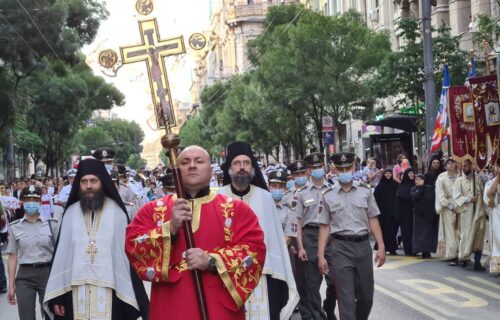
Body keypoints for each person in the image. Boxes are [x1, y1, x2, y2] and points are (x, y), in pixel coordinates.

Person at [126, 145, 266, 319]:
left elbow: (254, 250)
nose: (192, 165)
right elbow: (133, 246)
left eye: (199, 161)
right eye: (185, 162)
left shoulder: (237, 209)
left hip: (218, 308)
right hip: (170, 307)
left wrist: (212, 261)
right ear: (176, 170)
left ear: (211, 169)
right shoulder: (153, 210)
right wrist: (169, 229)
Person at [43, 159, 149, 320]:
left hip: (112, 293)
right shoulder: (70, 213)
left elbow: (126, 257)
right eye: (84, 182)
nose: (89, 186)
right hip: (74, 292)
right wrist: (58, 298)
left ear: (102, 182)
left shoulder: (118, 213)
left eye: (94, 181)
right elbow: (62, 257)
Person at [218, 141, 298, 320]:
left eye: (246, 163)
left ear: (252, 167)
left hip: (262, 274)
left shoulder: (265, 197)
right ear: (230, 168)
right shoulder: (218, 198)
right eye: (237, 163)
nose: (242, 168)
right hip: (227, 276)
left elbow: (275, 239)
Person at [318, 152, 385, 320]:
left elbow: (373, 218)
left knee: (366, 297)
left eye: (348, 168)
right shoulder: (328, 194)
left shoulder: (365, 191)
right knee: (346, 298)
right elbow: (325, 226)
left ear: (354, 167)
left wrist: (381, 246)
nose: (345, 171)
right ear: (335, 170)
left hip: (363, 247)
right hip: (340, 248)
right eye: (341, 169)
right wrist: (320, 255)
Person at [293, 152, 336, 320]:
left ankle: (329, 308)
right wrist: (301, 246)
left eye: (319, 166)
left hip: (332, 238)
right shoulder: (301, 193)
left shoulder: (334, 188)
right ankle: (319, 317)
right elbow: (297, 222)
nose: (317, 170)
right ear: (308, 171)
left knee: (335, 282)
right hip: (310, 237)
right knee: (312, 284)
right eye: (314, 167)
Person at [6, 185, 59, 319]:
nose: (31, 203)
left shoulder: (52, 225)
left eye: (35, 200)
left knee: (50, 315)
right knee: (26, 316)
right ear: (22, 202)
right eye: (27, 200)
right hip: (25, 276)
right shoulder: (14, 227)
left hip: (47, 274)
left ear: (40, 202)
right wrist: (11, 285)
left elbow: (59, 255)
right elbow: (12, 257)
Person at [453, 159, 486, 270]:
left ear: (471, 166)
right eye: (462, 166)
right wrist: (468, 199)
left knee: (478, 236)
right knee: (465, 236)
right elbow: (456, 196)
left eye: (466, 165)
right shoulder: (459, 181)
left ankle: (477, 262)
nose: (464, 168)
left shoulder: (478, 178)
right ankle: (463, 258)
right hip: (467, 212)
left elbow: (484, 193)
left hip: (478, 212)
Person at [435, 158, 459, 264]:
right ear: (445, 167)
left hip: (460, 205)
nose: (451, 165)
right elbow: (440, 194)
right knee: (450, 231)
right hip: (448, 207)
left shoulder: (460, 176)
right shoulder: (441, 178)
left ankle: (461, 252)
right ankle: (452, 254)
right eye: (448, 163)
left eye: (453, 163)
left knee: (460, 231)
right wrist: (449, 206)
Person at [374, 169, 399, 255]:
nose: (388, 175)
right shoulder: (380, 186)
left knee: (392, 231)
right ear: (384, 175)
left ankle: (392, 248)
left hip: (393, 212)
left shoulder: (396, 185)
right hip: (382, 213)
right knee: (383, 230)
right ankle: (382, 248)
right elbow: (375, 199)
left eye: (389, 173)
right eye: (386, 173)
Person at [411, 174, 437, 259]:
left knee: (428, 234)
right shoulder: (413, 189)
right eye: (416, 179)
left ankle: (427, 251)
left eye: (419, 179)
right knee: (420, 234)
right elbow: (416, 197)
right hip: (418, 215)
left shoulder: (429, 188)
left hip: (428, 213)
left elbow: (432, 200)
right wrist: (421, 187)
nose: (417, 181)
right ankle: (420, 250)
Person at [484, 159, 500, 273]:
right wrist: (498, 178)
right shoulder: (491, 181)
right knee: (498, 240)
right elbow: (489, 193)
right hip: (497, 212)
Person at [396, 168, 415, 256]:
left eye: (413, 173)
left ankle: (415, 249)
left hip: (415, 213)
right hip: (405, 214)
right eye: (410, 173)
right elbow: (401, 198)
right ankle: (408, 250)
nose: (411, 174)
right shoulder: (402, 186)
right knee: (407, 231)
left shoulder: (416, 184)